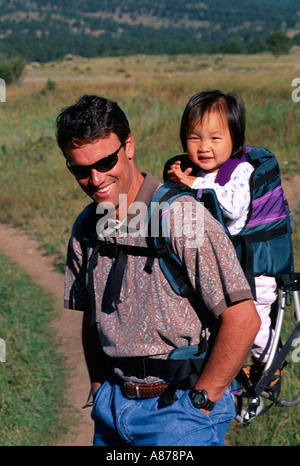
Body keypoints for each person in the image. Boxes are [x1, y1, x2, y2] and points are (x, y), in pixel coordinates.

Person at [56, 94, 260, 446]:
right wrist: (98, 388)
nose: (96, 178)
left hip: (180, 414)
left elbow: (243, 320)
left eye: (106, 161)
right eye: (80, 169)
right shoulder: (88, 227)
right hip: (112, 412)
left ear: (129, 146)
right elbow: (92, 318)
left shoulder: (182, 218)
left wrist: (202, 402)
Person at [167, 90, 278, 385]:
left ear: (234, 139)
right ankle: (228, 369)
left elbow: (231, 206)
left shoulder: (239, 171)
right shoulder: (200, 172)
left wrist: (196, 184)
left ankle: (270, 364)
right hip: (224, 269)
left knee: (252, 326)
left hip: (252, 270)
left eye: (215, 139)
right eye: (194, 138)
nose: (204, 147)